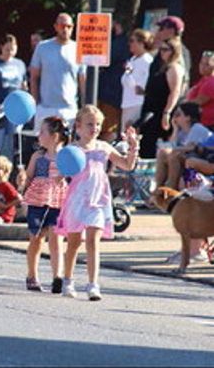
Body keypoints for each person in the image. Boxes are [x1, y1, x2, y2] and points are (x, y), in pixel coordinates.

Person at [56, 105, 139, 301]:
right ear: (78, 126)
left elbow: (127, 165)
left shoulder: (103, 147)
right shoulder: (72, 150)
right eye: (90, 124)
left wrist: (133, 146)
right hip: (77, 198)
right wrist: (59, 177)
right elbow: (61, 172)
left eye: (98, 124)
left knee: (93, 241)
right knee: (74, 242)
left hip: (98, 198)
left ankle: (93, 284)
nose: (94, 128)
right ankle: (67, 279)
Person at [18, 117, 69, 293]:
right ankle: (32, 274)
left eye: (42, 132)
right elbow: (29, 176)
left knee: (56, 238)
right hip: (38, 200)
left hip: (58, 200)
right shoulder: (38, 156)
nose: (38, 135)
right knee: (36, 238)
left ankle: (58, 276)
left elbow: (75, 175)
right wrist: (23, 179)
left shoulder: (67, 156)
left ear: (55, 136)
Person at [29, 13, 86, 134]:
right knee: (43, 148)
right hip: (45, 108)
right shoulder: (43, 47)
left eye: (69, 26)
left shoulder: (78, 49)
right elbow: (34, 77)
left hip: (69, 109)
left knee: (67, 147)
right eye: (62, 26)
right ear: (56, 27)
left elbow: (82, 81)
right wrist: (36, 104)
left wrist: (84, 109)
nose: (65, 29)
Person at [139, 37, 184, 158]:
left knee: (154, 141)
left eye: (165, 50)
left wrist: (167, 113)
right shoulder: (161, 66)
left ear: (174, 51)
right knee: (145, 139)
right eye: (161, 49)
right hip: (151, 107)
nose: (162, 52)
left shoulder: (174, 68)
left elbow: (175, 92)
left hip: (162, 110)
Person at [154, 102, 211, 190]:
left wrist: (171, 149)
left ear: (188, 117)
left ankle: (170, 188)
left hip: (204, 157)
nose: (175, 117)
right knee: (163, 153)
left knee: (174, 155)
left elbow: (190, 148)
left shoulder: (197, 128)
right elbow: (172, 145)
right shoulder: (182, 131)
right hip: (188, 156)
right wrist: (175, 129)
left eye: (178, 114)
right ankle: (158, 189)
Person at [98, 19, 130, 142]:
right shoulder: (119, 42)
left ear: (117, 25)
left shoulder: (119, 43)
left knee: (108, 128)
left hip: (111, 94)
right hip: (109, 92)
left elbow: (105, 59)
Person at [120, 29, 155, 132]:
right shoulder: (133, 59)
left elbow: (140, 89)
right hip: (127, 102)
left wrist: (129, 73)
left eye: (132, 41)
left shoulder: (146, 61)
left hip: (136, 104)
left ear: (141, 43)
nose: (129, 44)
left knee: (131, 133)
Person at [153, 16, 191, 98]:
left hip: (165, 103)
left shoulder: (179, 52)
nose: (158, 32)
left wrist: (169, 109)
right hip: (155, 102)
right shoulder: (164, 47)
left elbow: (182, 83)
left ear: (171, 31)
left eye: (161, 29)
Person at [186, 51, 214, 129]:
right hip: (199, 124)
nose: (202, 66)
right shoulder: (203, 80)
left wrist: (181, 104)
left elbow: (197, 102)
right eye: (201, 63)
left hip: (207, 126)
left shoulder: (211, 82)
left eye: (207, 64)